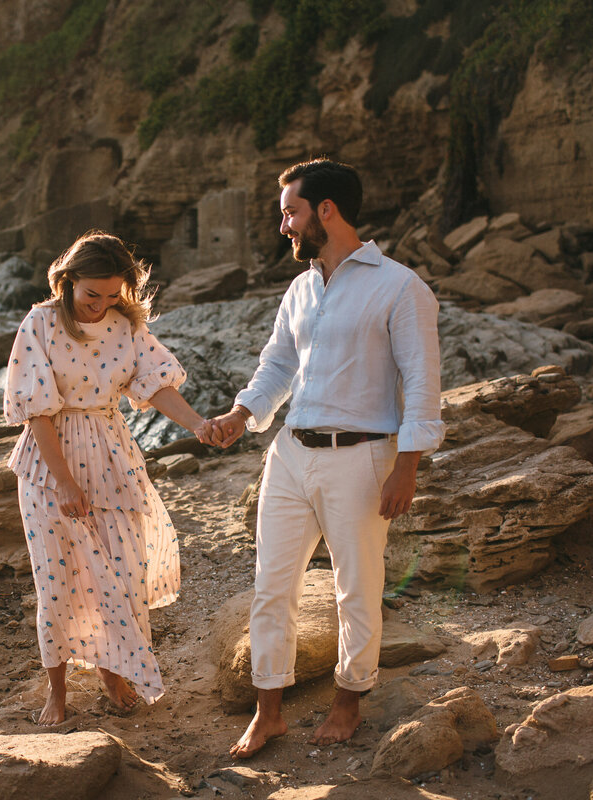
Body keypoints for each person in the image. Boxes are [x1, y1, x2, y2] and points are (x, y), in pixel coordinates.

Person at [203, 158, 444, 757]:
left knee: (356, 588)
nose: (283, 224)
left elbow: (421, 384)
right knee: (271, 585)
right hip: (288, 453)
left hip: (360, 460)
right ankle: (268, 712)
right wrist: (242, 415)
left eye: (290, 212)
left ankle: (348, 699)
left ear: (326, 210)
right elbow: (279, 365)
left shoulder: (401, 287)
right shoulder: (301, 286)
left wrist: (406, 467)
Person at [4, 230, 213, 725]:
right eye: (90, 294)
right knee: (56, 582)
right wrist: (65, 482)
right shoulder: (40, 324)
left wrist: (200, 425)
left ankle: (112, 674)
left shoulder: (125, 326)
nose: (99, 305)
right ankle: (56, 692)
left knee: (123, 571)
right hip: (47, 461)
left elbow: (156, 386)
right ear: (68, 281)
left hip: (112, 453)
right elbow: (38, 413)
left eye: (111, 294)